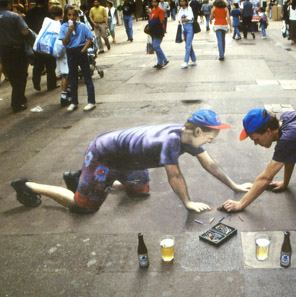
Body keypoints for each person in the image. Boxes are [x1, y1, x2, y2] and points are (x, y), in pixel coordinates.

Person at [11, 110, 252, 214]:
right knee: (84, 207)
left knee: (140, 191)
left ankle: (81, 177)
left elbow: (210, 164)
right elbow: (175, 176)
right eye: (210, 138)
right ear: (198, 131)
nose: (211, 142)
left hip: (129, 161)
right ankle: (28, 186)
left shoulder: (188, 135)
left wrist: (235, 186)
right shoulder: (171, 141)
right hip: (103, 155)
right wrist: (187, 202)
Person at [60, 5, 96, 112]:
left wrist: (83, 50)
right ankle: (74, 102)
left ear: (77, 16)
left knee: (87, 77)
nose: (72, 17)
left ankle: (91, 101)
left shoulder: (82, 26)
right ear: (66, 16)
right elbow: (64, 42)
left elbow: (90, 39)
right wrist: (68, 32)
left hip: (81, 50)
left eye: (74, 15)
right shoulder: (63, 27)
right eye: (69, 15)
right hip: (71, 52)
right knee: (73, 77)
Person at [0, 0, 30, 113]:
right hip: (16, 50)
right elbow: (25, 31)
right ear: (9, 5)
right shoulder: (14, 16)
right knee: (21, 76)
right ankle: (17, 102)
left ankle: (19, 97)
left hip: (3, 50)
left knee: (11, 75)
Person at [26, 0, 58, 92]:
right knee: (50, 63)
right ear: (45, 3)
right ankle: (51, 84)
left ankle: (36, 82)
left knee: (38, 63)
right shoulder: (47, 13)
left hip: (35, 40)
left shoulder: (29, 13)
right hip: (46, 40)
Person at [49, 5, 71, 107]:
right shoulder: (63, 25)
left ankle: (68, 91)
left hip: (57, 51)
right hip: (65, 51)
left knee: (65, 73)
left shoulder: (50, 25)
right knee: (66, 74)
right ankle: (64, 97)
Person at [149, 0, 169, 69]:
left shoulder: (160, 10)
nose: (153, 3)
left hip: (159, 30)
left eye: (155, 2)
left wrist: (153, 21)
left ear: (157, 3)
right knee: (156, 46)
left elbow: (162, 21)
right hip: (153, 30)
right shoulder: (152, 10)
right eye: (152, 2)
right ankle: (160, 63)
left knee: (156, 46)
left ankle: (165, 59)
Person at [178, 0, 197, 68]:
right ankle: (194, 60)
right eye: (180, 1)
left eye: (183, 1)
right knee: (189, 45)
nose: (182, 2)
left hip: (190, 28)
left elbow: (190, 18)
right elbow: (179, 19)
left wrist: (183, 20)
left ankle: (186, 61)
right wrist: (183, 20)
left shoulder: (189, 8)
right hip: (183, 28)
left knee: (187, 45)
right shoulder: (180, 10)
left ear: (186, 2)